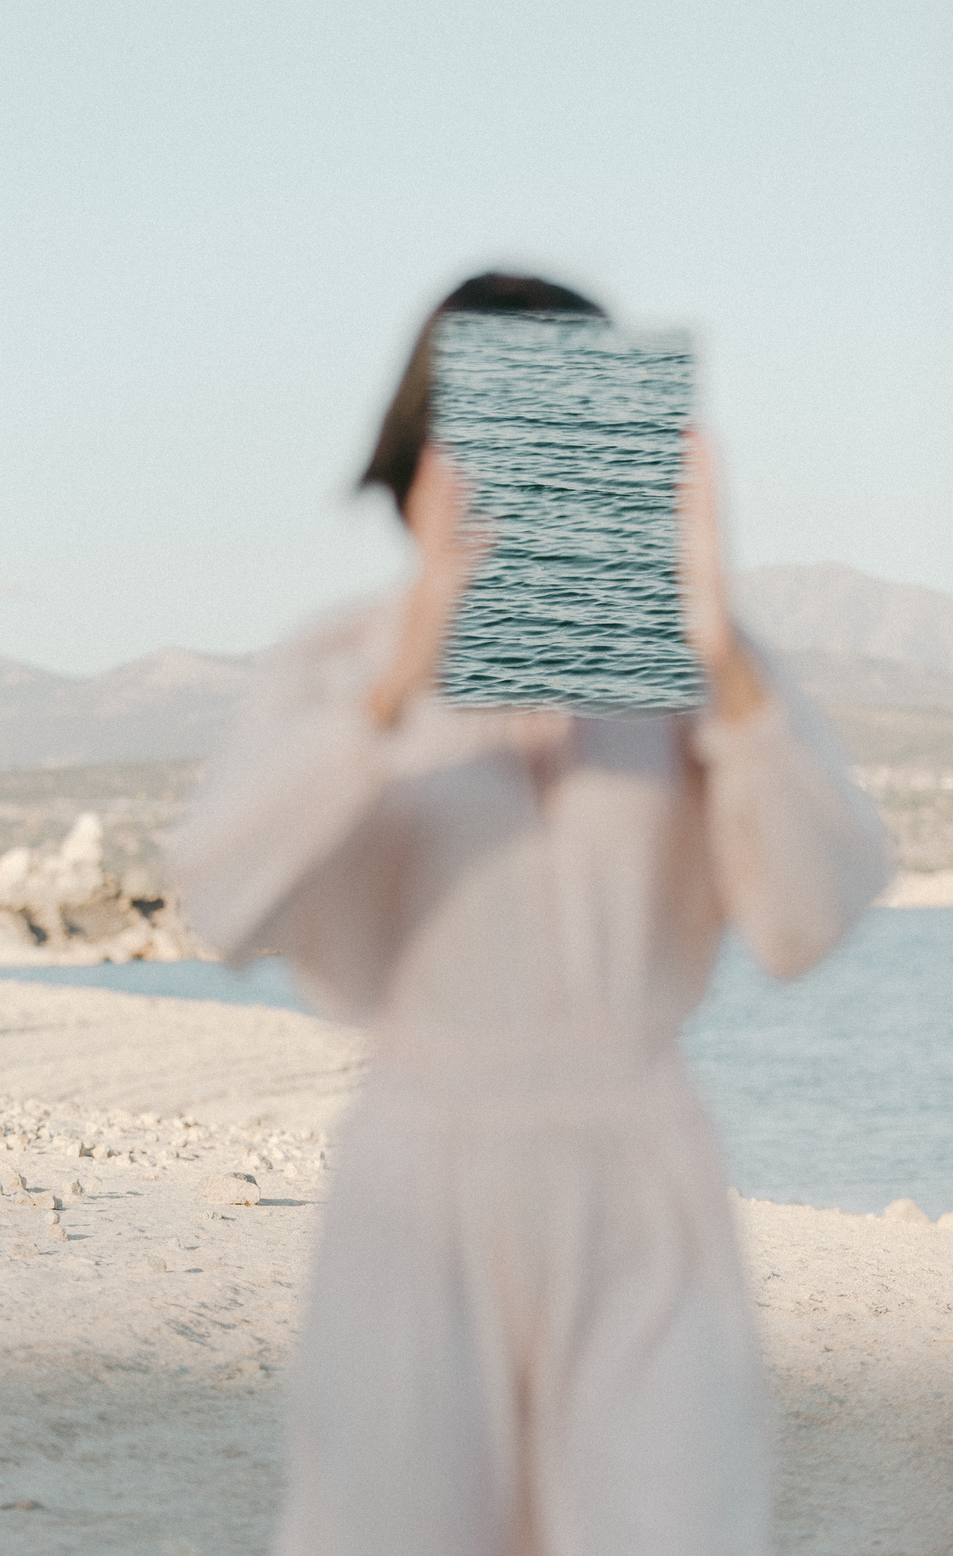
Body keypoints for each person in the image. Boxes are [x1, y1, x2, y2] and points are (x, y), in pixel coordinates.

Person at [171, 273, 891, 1556]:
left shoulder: (701, 668)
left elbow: (809, 916)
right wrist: (407, 668)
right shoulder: (339, 662)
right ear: (424, 455)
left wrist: (717, 658)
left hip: (637, 1155)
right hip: (417, 1161)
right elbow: (218, 900)